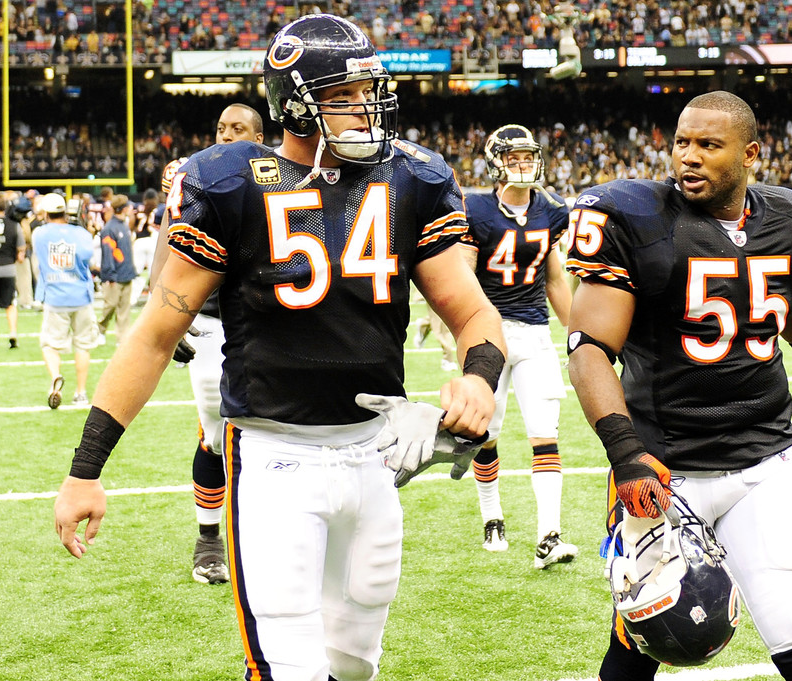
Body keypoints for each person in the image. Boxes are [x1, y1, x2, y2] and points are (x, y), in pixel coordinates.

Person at [53, 14, 506, 681]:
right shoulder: (230, 181)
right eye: (347, 93)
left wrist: (480, 377)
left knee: (354, 667)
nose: (367, 107)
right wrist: (85, 468)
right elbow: (153, 336)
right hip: (274, 456)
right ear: (298, 100)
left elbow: (472, 311)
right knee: (287, 667)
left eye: (368, 88)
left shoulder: (412, 176)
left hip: (375, 456)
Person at [565, 91, 792, 681]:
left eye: (709, 145)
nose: (690, 157)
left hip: (766, 465)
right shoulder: (634, 217)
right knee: (642, 650)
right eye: (682, 143)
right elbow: (589, 350)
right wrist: (625, 455)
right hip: (663, 473)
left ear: (750, 153)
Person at [148, 102, 266, 586]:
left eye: (237, 128)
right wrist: (166, 313)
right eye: (220, 128)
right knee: (217, 436)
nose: (225, 135)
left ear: (259, 137)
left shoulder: (282, 176)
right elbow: (169, 242)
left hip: (267, 322)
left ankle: (263, 534)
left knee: (272, 429)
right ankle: (209, 541)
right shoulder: (198, 178)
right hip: (213, 322)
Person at [459, 124, 578, 568]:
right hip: (489, 331)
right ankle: (492, 516)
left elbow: (554, 281)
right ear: (496, 162)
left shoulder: (551, 210)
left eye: (529, 157)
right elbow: (465, 279)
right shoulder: (477, 210)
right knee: (485, 433)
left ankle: (549, 534)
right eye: (515, 158)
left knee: (545, 433)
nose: (524, 164)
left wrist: (578, 336)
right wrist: (464, 333)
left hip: (533, 331)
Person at [31, 192, 99, 407]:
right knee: (82, 346)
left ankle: (55, 379)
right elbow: (90, 259)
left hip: (54, 296)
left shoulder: (39, 234)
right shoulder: (81, 234)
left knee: (50, 345)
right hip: (81, 295)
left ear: (46, 213)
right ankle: (80, 392)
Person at [95, 193, 137, 345]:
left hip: (126, 273)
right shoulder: (109, 229)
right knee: (110, 306)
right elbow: (108, 255)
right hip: (115, 276)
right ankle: (100, 329)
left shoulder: (124, 225)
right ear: (123, 209)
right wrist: (110, 275)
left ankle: (122, 339)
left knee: (124, 310)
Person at [0, 192, 26, 349]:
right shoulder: (14, 225)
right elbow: (21, 251)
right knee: (10, 304)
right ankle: (13, 333)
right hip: (8, 269)